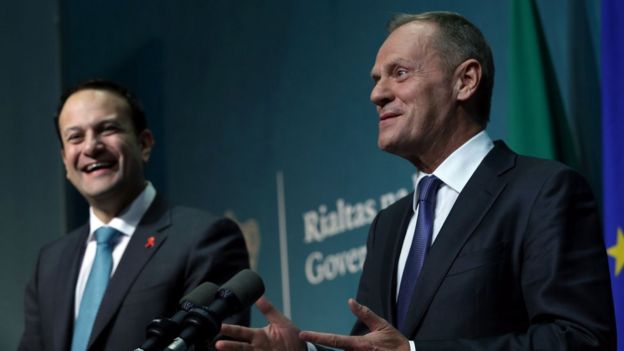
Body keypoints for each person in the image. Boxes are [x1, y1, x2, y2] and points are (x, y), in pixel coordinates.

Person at [214, 11, 616, 351]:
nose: (377, 94)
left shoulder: (541, 191)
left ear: (466, 81)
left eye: (399, 73)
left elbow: (578, 338)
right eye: (376, 79)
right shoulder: (388, 226)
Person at [19, 79, 250, 351]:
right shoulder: (49, 262)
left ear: (144, 144)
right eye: (75, 137)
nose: (91, 147)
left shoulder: (205, 239)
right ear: (64, 160)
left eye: (107, 129)